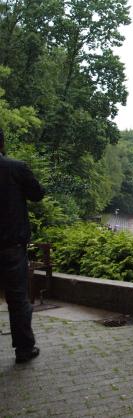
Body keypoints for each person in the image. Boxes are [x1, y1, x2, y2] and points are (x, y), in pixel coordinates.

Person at [0, 128, 44, 363]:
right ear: (2, 142)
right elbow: (38, 194)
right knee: (17, 299)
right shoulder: (15, 168)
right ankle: (24, 350)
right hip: (11, 246)